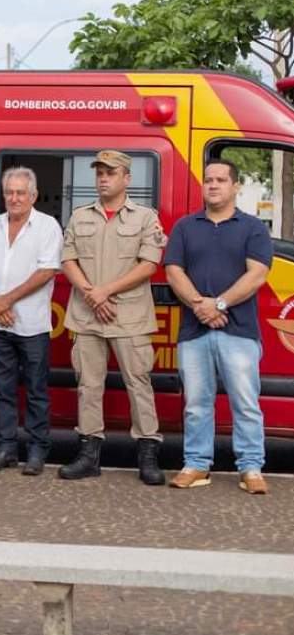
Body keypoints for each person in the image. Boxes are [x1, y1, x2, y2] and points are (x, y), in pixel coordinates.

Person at [165, 159, 274, 494]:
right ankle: (197, 465)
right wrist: (201, 306)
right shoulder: (185, 226)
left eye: (221, 180)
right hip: (194, 332)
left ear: (235, 186)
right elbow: (173, 271)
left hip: (238, 331)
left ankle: (251, 468)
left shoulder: (253, 227)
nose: (213, 185)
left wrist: (220, 303)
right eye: (209, 180)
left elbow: (257, 274)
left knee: (245, 402)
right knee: (197, 403)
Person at [58, 150, 167, 485]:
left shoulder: (145, 218)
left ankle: (147, 455)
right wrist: (93, 293)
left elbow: (149, 265)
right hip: (88, 315)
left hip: (129, 315)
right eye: (100, 173)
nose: (103, 178)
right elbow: (68, 259)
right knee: (88, 386)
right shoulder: (80, 216)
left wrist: (105, 292)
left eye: (111, 173)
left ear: (126, 179)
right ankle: (89, 455)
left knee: (139, 385)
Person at [0, 167, 63, 475]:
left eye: (20, 192)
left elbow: (47, 271)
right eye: (9, 192)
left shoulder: (48, 226)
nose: (14, 198)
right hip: (0, 323)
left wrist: (5, 300)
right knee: (4, 389)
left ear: (33, 195)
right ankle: (6, 448)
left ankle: (37, 451)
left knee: (36, 390)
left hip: (32, 325)